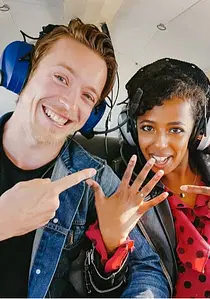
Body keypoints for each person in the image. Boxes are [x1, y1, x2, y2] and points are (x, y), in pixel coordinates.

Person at [0, 19, 170, 298]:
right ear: (26, 72)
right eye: (60, 78)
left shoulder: (92, 176)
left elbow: (150, 268)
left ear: (92, 114)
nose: (68, 103)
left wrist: (115, 243)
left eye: (87, 95)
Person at [104, 58, 210, 298]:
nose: (159, 144)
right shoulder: (119, 189)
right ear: (131, 130)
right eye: (147, 127)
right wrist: (111, 241)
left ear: (200, 133)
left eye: (175, 130)